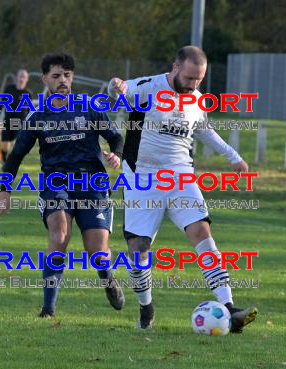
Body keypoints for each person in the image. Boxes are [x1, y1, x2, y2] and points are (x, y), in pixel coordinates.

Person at [108, 46, 258, 332]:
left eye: (199, 80)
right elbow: (116, 95)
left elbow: (203, 130)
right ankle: (146, 306)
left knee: (202, 233)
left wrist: (234, 157)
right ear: (175, 68)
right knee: (138, 250)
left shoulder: (197, 99)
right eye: (190, 78)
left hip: (181, 177)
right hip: (143, 178)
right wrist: (114, 86)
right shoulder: (147, 88)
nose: (193, 85)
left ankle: (229, 308)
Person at [0, 53, 125, 317]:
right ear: (44, 79)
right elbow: (15, 156)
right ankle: (48, 308)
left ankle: (107, 277)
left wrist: (116, 154)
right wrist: (5, 191)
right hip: (57, 184)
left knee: (97, 251)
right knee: (59, 235)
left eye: (67, 75)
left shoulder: (89, 106)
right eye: (56, 76)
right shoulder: (38, 115)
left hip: (92, 185)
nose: (62, 80)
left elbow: (115, 137)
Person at [0, 69, 33, 166]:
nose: (21, 79)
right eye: (20, 76)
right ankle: (4, 160)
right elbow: (1, 103)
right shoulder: (9, 89)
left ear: (27, 79)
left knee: (18, 142)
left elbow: (30, 110)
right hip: (8, 119)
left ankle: (12, 160)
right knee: (5, 143)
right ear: (16, 77)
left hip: (20, 121)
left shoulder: (27, 93)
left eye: (24, 77)